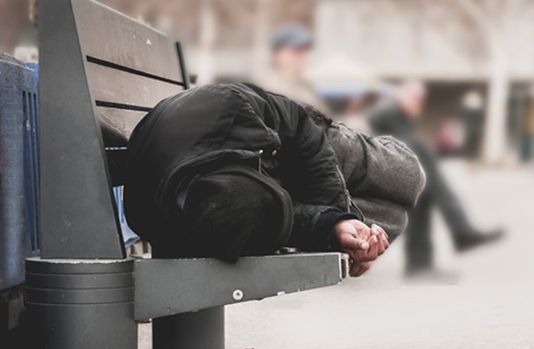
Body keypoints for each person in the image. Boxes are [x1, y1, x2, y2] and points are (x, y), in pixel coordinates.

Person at [124, 83, 413, 277]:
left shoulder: (231, 109)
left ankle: (380, 152)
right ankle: (355, 230)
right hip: (234, 174)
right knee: (392, 216)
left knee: (409, 176)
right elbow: (280, 222)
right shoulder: (211, 220)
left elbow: (299, 124)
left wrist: (336, 214)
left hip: (293, 139)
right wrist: (335, 230)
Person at [369, 81, 504, 278]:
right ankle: (460, 232)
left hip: (400, 169)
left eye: (420, 100)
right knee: (429, 180)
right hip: (387, 170)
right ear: (401, 96)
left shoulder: (400, 118)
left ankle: (421, 264)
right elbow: (380, 131)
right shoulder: (388, 113)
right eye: (414, 98)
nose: (418, 104)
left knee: (424, 199)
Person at [257, 23, 329, 112]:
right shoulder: (270, 89)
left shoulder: (305, 86)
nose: (301, 57)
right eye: (295, 51)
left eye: (304, 51)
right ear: (277, 54)